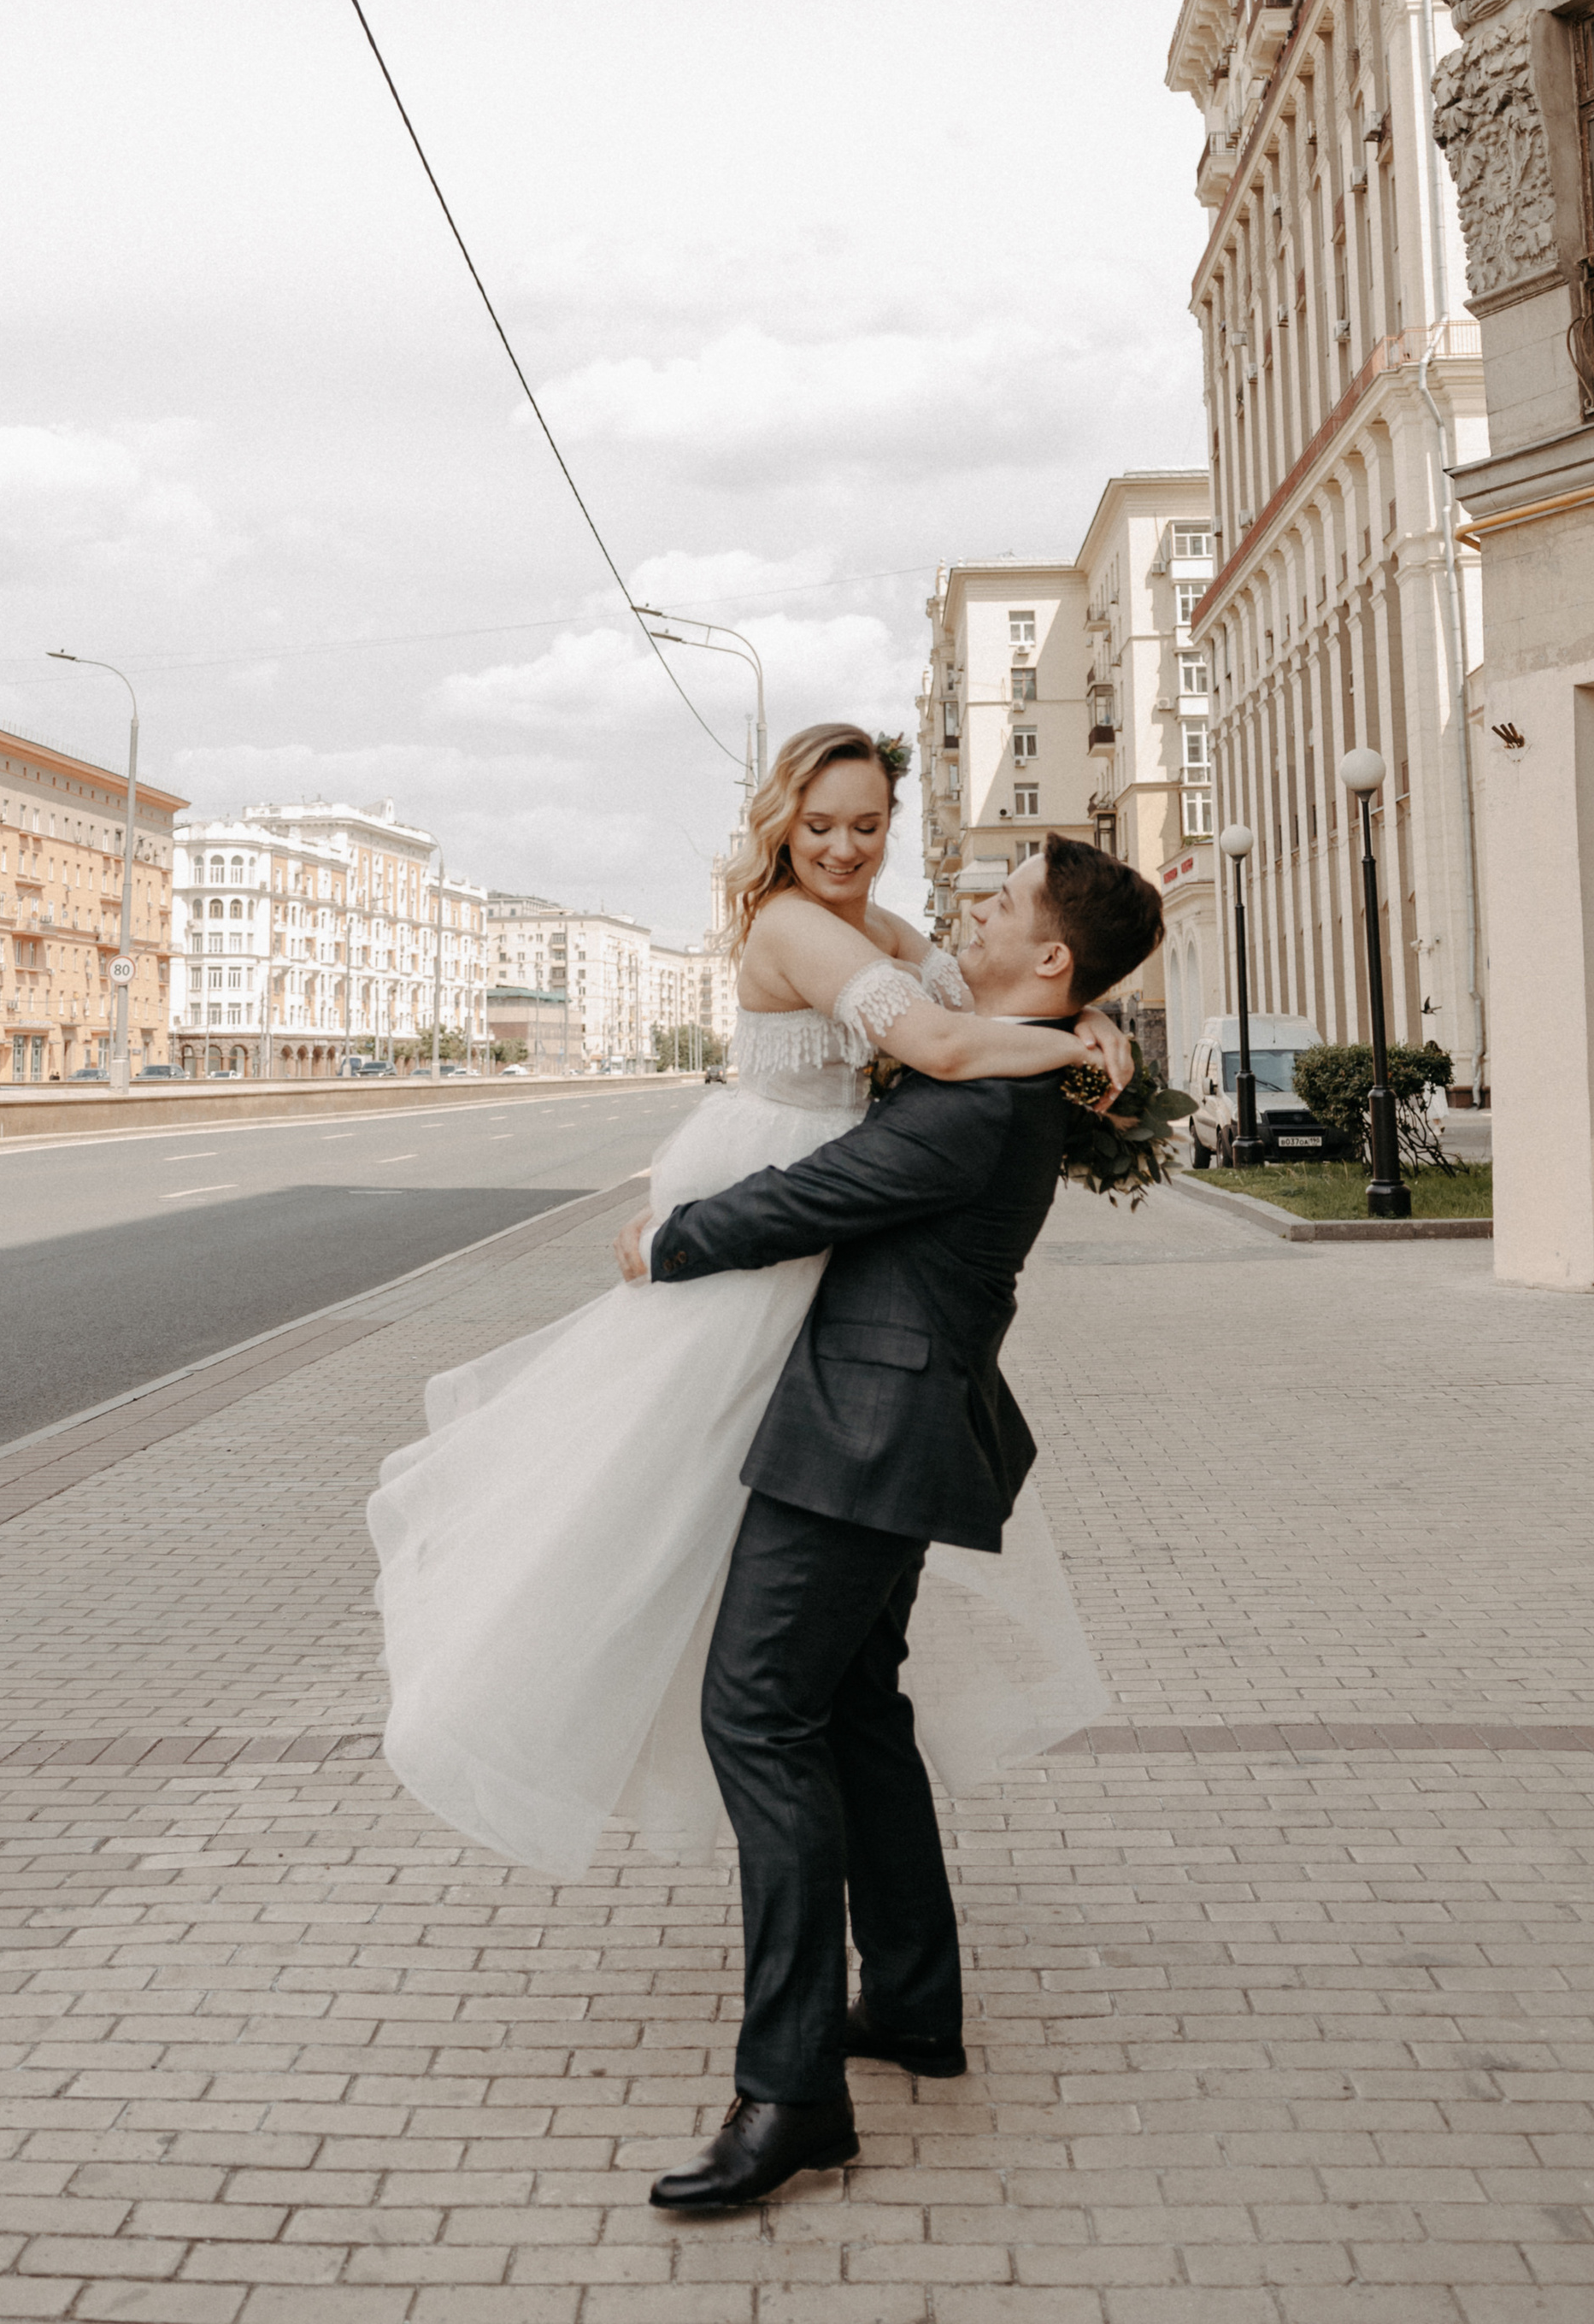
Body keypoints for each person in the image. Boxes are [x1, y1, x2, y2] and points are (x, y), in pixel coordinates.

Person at [368, 722, 1131, 1903]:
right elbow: (937, 1038)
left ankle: (870, 1983)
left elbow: (987, 999)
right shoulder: (788, 923)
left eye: (867, 826)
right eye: (817, 824)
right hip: (773, 1198)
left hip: (842, 1226)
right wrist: (1061, 1051)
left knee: (807, 1638)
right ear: (781, 823)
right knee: (662, 1491)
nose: (841, 846)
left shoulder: (893, 934)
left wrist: (1087, 1022)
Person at [625, 824, 1164, 2217]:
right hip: (899, 1433)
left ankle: (794, 2093)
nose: (971, 910)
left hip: (858, 1447)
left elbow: (819, 1195)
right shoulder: (995, 1058)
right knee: (854, 1712)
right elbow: (913, 1015)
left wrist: (667, 1240)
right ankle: (914, 2004)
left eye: (1005, 902)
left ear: (1048, 958)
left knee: (756, 1718)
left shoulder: (975, 1101)